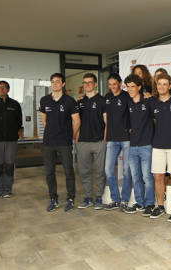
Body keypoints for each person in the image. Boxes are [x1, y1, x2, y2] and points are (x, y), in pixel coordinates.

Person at [39, 73, 80, 212]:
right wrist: (52, 132)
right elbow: (44, 120)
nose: (55, 84)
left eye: (58, 82)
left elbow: (77, 121)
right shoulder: (44, 100)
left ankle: (70, 198)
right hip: (49, 142)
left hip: (65, 142)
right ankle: (53, 198)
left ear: (63, 84)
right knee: (49, 172)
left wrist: (70, 135)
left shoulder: (70, 101)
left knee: (68, 171)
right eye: (53, 82)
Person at [149, 73, 171, 222]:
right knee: (158, 177)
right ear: (156, 86)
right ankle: (160, 206)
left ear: (169, 86)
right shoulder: (153, 103)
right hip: (157, 145)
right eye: (159, 84)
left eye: (165, 84)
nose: (162, 86)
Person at [123, 74, 155, 216]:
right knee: (136, 177)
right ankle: (139, 203)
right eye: (128, 86)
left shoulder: (148, 101)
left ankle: (149, 204)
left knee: (147, 177)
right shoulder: (128, 103)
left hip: (146, 145)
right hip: (132, 145)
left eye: (132, 87)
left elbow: (157, 119)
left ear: (139, 87)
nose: (130, 89)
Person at [76, 73, 107, 210]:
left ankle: (99, 197)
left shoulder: (102, 100)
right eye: (85, 82)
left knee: (100, 171)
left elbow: (107, 122)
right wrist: (76, 137)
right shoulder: (80, 102)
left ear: (95, 84)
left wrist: (105, 140)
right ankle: (88, 197)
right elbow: (76, 121)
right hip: (83, 142)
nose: (87, 85)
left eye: (89, 82)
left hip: (99, 141)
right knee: (84, 171)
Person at [103, 73, 133, 211]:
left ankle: (125, 200)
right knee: (108, 170)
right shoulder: (107, 97)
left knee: (127, 171)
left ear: (120, 83)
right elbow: (105, 117)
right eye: (110, 84)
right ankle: (115, 199)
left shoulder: (127, 96)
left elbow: (133, 114)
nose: (112, 87)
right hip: (112, 139)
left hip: (126, 139)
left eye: (114, 84)